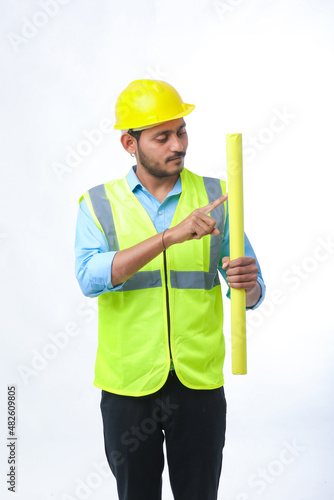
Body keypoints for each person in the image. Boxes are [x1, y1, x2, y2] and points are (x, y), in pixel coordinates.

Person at [74, 79, 266, 500]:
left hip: (197, 381)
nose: (177, 144)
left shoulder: (216, 195)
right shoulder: (98, 204)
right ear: (130, 142)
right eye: (162, 137)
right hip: (129, 383)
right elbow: (89, 279)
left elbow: (250, 294)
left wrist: (247, 286)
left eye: (181, 132)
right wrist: (168, 238)